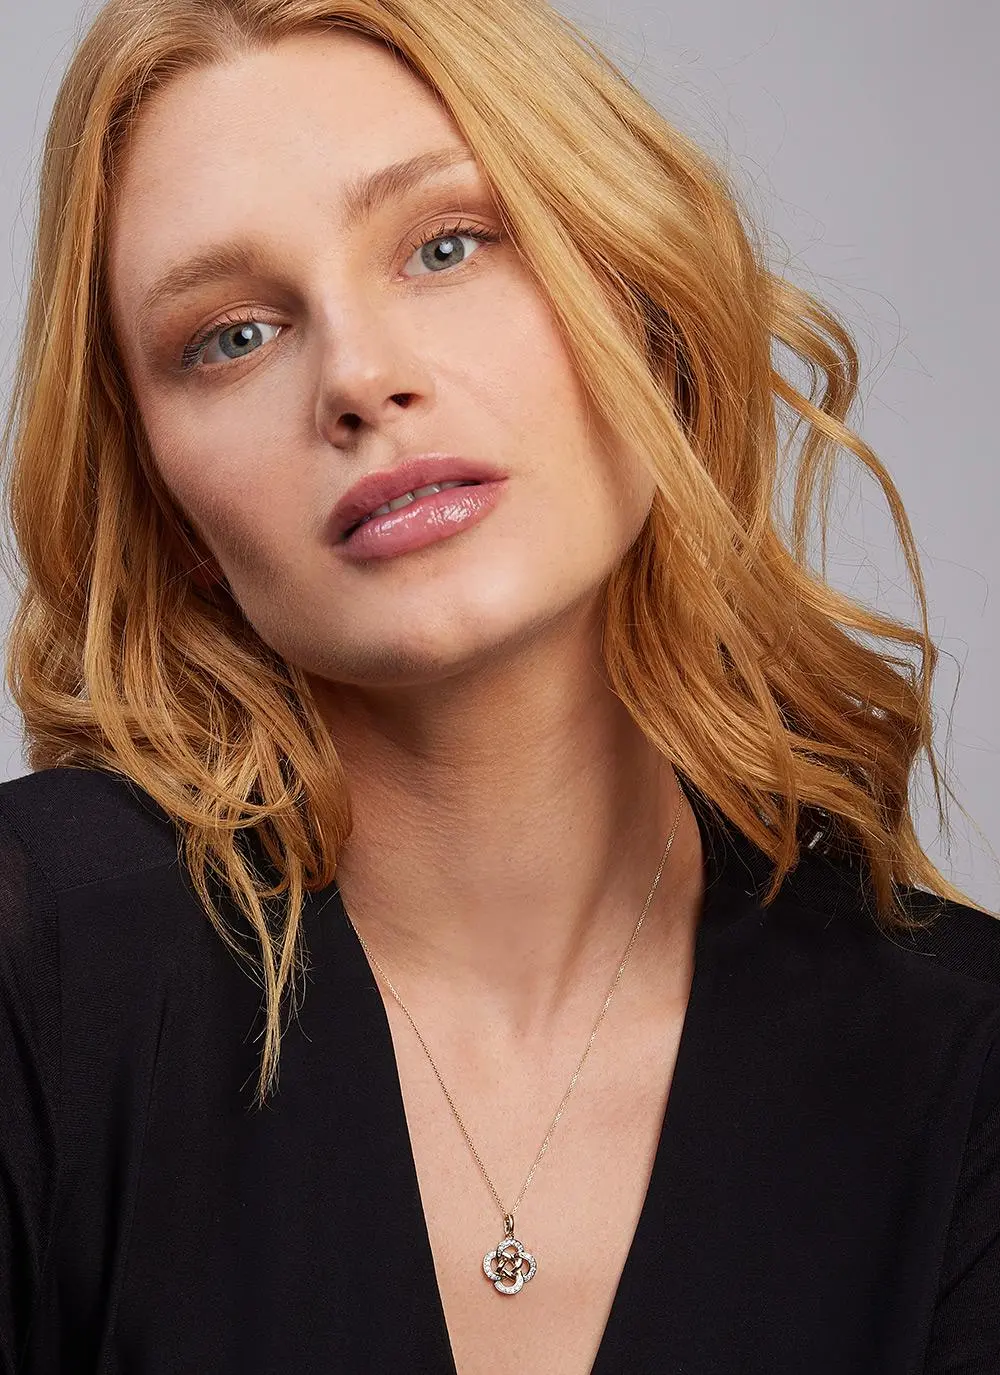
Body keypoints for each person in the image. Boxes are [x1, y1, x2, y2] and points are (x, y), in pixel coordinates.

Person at [0, 0, 997, 1370]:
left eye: (447, 246)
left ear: (645, 309)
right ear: (169, 507)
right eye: (232, 335)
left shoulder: (955, 1062)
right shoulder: (44, 963)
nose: (361, 379)